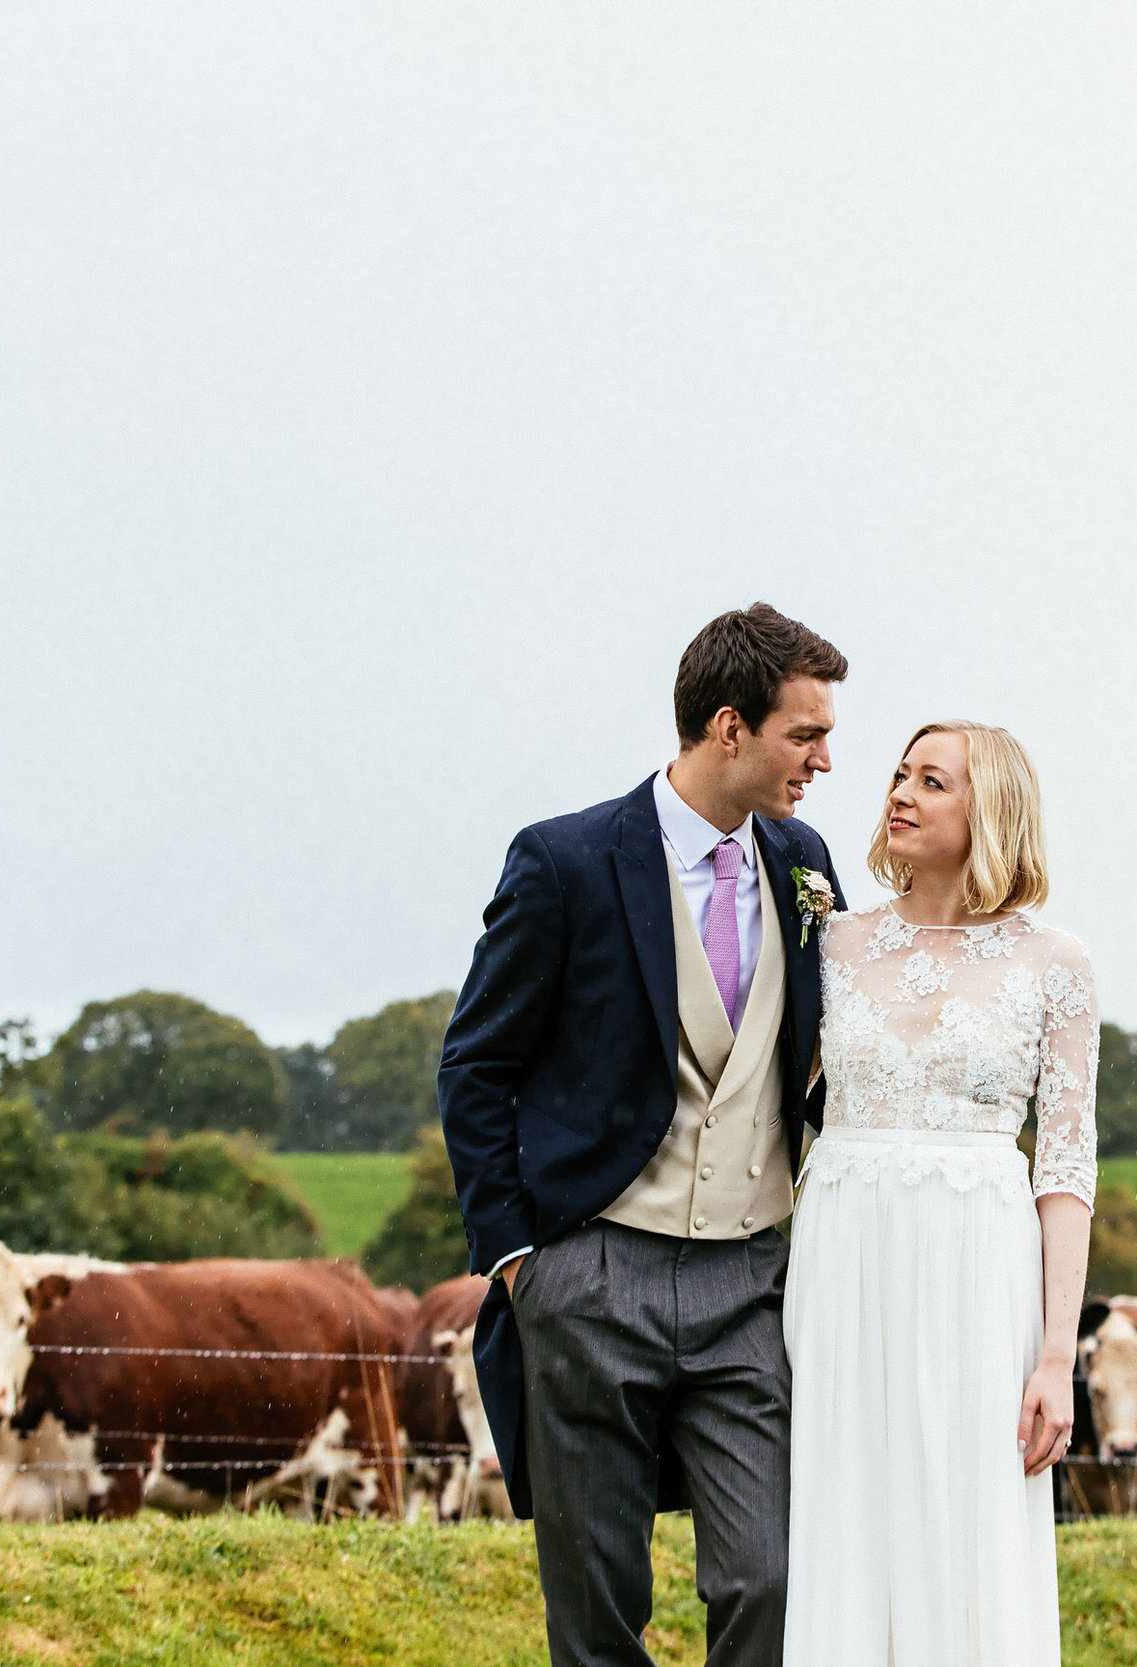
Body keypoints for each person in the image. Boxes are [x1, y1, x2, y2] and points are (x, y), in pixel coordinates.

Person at [439, 602, 849, 1667]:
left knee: (768, 1576)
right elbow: (476, 1063)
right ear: (727, 726)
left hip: (750, 1282)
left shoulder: (805, 862)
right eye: (804, 734)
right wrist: (520, 1259)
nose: (826, 758)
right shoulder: (565, 859)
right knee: (596, 1598)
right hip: (592, 1273)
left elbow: (814, 1064)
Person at [782, 720, 1097, 1667]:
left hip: (980, 1269)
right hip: (844, 1256)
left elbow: (1068, 1168)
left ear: (990, 808)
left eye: (934, 781)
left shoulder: (1057, 965)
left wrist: (1053, 1357)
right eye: (899, 774)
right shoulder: (829, 944)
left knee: (967, 1516)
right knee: (846, 1508)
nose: (901, 793)